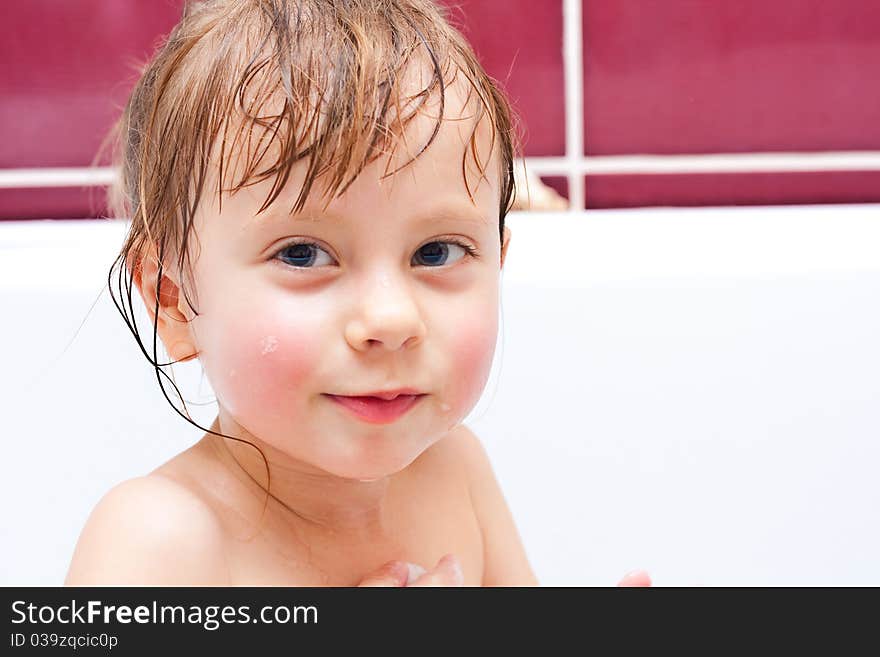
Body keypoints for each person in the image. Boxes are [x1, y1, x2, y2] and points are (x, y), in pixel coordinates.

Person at [65, 0, 649, 587]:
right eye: (303, 254)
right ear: (173, 298)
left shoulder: (456, 472)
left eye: (436, 252)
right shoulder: (159, 541)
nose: (391, 319)